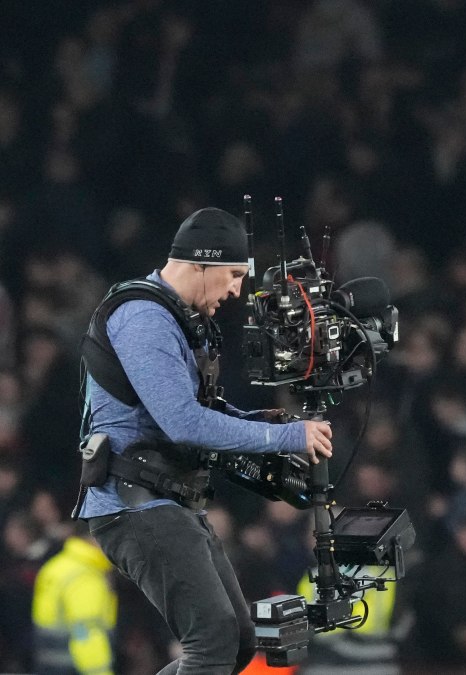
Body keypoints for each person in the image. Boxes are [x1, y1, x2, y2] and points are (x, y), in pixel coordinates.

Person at [75, 207, 334, 674]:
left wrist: (268, 423)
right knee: (212, 639)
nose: (237, 289)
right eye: (233, 274)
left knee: (236, 640)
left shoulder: (176, 318)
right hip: (134, 504)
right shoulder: (143, 317)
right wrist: (285, 435)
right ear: (201, 263)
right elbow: (183, 422)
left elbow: (204, 412)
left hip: (169, 501)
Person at [31, 526, 116, 675]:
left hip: (49, 663)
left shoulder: (57, 566)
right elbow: (86, 632)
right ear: (94, 540)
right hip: (76, 668)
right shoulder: (85, 576)